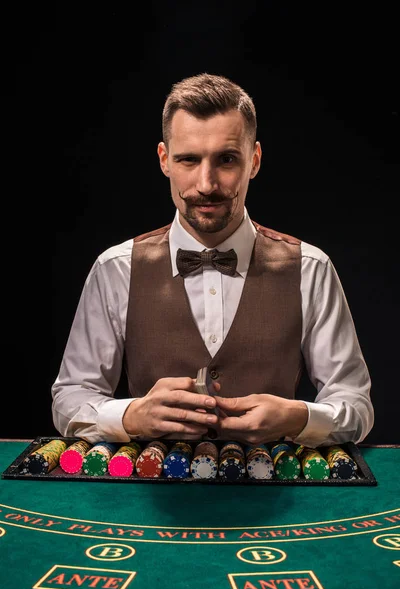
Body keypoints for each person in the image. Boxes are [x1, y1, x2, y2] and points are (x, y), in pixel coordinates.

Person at [52, 72, 374, 448]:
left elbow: (356, 404)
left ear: (253, 161)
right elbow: (70, 398)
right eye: (188, 160)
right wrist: (130, 416)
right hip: (151, 495)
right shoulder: (114, 269)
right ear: (164, 161)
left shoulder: (311, 268)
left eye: (226, 159)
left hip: (273, 493)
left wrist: (299, 417)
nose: (206, 183)